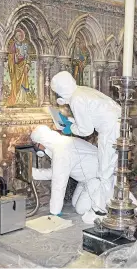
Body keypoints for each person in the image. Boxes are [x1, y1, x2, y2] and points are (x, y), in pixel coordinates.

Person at [30, 125, 137, 223]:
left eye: (35, 145)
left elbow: (59, 183)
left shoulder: (61, 150)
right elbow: (55, 173)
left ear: (42, 142)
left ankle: (103, 204)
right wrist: (31, 172)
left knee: (80, 209)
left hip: (97, 179)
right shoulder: (62, 143)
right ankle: (98, 197)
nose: (36, 148)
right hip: (87, 180)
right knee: (74, 203)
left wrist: (54, 212)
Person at [50, 71, 122, 202]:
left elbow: (86, 130)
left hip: (110, 129)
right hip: (118, 125)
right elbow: (90, 116)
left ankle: (103, 207)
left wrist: (69, 128)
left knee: (105, 169)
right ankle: (113, 201)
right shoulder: (81, 90)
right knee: (112, 167)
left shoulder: (76, 99)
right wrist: (71, 121)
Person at [7, 28, 31, 106]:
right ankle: (15, 99)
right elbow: (10, 56)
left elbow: (27, 56)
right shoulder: (13, 45)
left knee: (23, 81)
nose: (20, 37)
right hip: (15, 67)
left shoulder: (25, 45)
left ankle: (23, 100)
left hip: (23, 66)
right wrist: (15, 57)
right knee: (15, 82)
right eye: (18, 35)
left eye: (21, 35)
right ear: (15, 37)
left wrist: (27, 64)